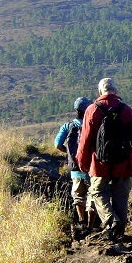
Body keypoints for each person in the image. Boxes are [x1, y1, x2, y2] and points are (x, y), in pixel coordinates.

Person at [77, 77, 132, 241]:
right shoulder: (126, 110)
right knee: (121, 196)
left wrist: (83, 162)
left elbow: (85, 140)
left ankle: (111, 220)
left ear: (100, 91)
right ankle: (119, 232)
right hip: (123, 162)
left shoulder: (92, 110)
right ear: (115, 91)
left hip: (99, 162)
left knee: (97, 191)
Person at [54, 96, 97, 234]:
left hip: (75, 167)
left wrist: (69, 154)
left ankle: (81, 221)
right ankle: (91, 225)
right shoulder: (93, 125)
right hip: (92, 168)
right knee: (93, 195)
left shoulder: (68, 126)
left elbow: (57, 144)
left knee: (78, 195)